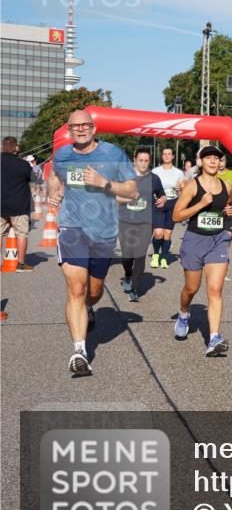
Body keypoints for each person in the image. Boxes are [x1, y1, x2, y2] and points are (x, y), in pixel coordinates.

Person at [47, 110, 138, 375]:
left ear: (94, 128)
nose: (81, 129)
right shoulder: (63, 155)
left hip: (104, 232)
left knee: (93, 291)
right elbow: (54, 178)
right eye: (75, 126)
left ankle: (89, 305)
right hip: (72, 228)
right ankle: (79, 351)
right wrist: (54, 194)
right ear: (69, 130)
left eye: (86, 125)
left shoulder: (113, 154)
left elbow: (132, 191)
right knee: (76, 288)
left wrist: (104, 183)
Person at [172, 145, 232, 357]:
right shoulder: (192, 186)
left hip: (217, 240)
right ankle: (183, 314)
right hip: (194, 240)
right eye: (208, 158)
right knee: (191, 288)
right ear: (201, 162)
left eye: (216, 158)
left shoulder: (226, 186)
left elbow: (227, 210)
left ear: (220, 162)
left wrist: (228, 213)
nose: (212, 161)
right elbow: (177, 216)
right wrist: (200, 204)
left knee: (215, 289)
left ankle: (214, 338)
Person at [117, 148, 165, 301]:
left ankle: (135, 289)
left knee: (139, 255)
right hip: (125, 220)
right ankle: (128, 275)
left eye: (146, 160)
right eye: (141, 160)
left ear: (149, 161)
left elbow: (161, 194)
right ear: (135, 160)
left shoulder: (154, 178)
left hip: (146, 222)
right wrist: (128, 198)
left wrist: (163, 199)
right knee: (127, 256)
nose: (143, 163)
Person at [1, 137, 34, 272]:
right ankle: (21, 264)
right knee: (21, 234)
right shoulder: (23, 164)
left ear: (2, 147)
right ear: (17, 148)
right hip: (19, 205)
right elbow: (33, 179)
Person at [151, 147, 186, 269]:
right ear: (162, 156)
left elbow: (184, 191)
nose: (166, 156)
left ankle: (164, 257)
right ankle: (156, 255)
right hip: (158, 204)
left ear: (173, 157)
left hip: (173, 204)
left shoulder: (179, 173)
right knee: (158, 233)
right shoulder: (155, 171)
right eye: (164, 154)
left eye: (169, 154)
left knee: (167, 234)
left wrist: (180, 189)